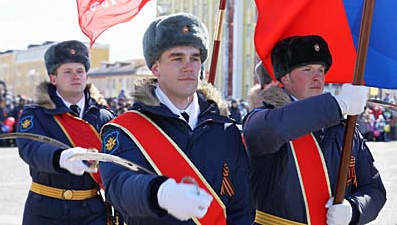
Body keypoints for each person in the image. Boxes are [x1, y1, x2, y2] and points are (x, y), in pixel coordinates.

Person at [99, 13, 250, 225]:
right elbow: (118, 187)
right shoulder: (127, 129)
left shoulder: (225, 129)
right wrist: (159, 193)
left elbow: (241, 206)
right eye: (177, 58)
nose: (188, 66)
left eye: (194, 58)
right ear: (155, 68)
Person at [243, 35, 386, 225]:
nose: (317, 76)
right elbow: (275, 129)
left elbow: (374, 189)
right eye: (307, 70)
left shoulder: (344, 129)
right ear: (285, 78)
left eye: (321, 70)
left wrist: (354, 209)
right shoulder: (264, 118)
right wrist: (338, 104)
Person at [16, 40, 115, 225]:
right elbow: (29, 148)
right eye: (67, 72)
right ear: (53, 78)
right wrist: (60, 158)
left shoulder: (104, 116)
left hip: (92, 211)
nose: (75, 76)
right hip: (46, 209)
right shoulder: (37, 113)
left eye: (80, 71)